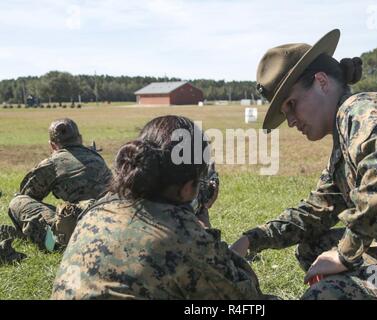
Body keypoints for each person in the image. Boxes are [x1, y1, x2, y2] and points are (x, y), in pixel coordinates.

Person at [230, 29, 377, 299]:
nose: (291, 121)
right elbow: (317, 209)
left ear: (321, 82)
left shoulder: (360, 110)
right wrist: (253, 239)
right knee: (312, 246)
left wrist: (345, 254)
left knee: (327, 294)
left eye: (291, 104)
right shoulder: (345, 136)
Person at [52, 115, 268, 300]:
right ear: (186, 188)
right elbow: (244, 297)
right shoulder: (185, 234)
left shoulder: (97, 210)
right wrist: (202, 222)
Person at [7, 118, 112, 250]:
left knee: (18, 201)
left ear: (52, 145)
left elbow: (29, 195)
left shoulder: (53, 163)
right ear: (80, 139)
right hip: (109, 222)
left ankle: (52, 244)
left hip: (79, 232)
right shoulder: (95, 157)